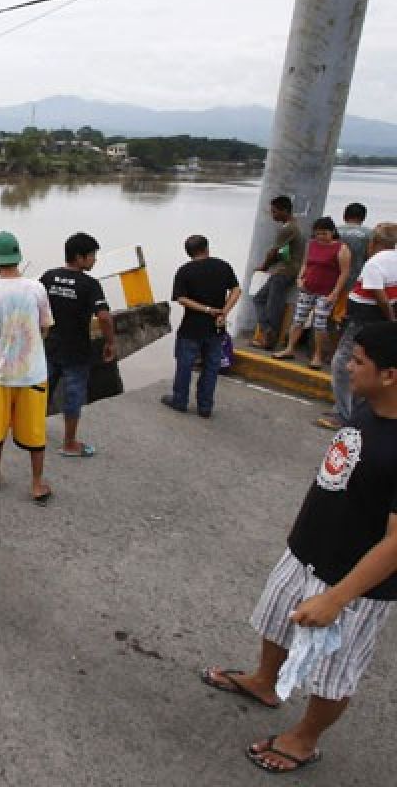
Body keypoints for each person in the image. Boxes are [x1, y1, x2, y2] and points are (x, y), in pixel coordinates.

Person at [200, 321, 397, 775]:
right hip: (307, 549)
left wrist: (337, 596)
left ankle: (305, 739)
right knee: (276, 618)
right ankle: (265, 682)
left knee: (335, 667)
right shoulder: (369, 407)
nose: (348, 366)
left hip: (354, 583)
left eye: (359, 361)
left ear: (390, 375)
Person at [0, 231, 54, 504]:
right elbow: (45, 325)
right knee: (35, 432)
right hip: (34, 372)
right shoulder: (37, 288)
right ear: (18, 256)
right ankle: (36, 483)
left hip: (0, 373)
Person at [40, 232, 116, 457]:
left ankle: (30, 434)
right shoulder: (90, 284)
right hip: (76, 351)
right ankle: (69, 444)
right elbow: (104, 317)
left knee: (41, 392)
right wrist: (110, 341)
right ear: (79, 257)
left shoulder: (48, 277)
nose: (95, 260)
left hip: (50, 347)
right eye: (92, 255)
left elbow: (34, 305)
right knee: (73, 397)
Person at [320, 222, 397, 430]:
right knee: (369, 365)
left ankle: (344, 414)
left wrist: (389, 315)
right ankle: (354, 408)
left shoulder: (375, 262)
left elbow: (377, 291)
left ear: (375, 242)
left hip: (363, 319)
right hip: (375, 319)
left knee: (342, 364)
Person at [161, 235, 241, 418]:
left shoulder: (184, 271)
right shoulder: (223, 266)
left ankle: (179, 400)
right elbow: (236, 290)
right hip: (216, 328)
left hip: (191, 328)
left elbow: (181, 299)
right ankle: (205, 406)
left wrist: (206, 309)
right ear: (206, 248)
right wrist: (223, 311)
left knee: (184, 365)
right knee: (211, 367)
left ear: (188, 252)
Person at [272, 217, 352, 369]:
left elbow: (344, 273)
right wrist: (300, 278)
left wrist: (335, 293)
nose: (321, 237)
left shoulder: (341, 248)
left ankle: (317, 355)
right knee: (298, 319)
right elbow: (305, 263)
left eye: (324, 233)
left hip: (326, 291)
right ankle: (290, 348)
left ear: (332, 232)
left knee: (319, 324)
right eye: (318, 233)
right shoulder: (312, 244)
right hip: (308, 288)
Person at [251, 196, 304, 350]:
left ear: (285, 211)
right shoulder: (292, 226)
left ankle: (269, 337)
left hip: (284, 271)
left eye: (275, 211)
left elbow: (273, 252)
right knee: (260, 299)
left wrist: (264, 267)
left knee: (273, 305)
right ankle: (267, 331)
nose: (272, 215)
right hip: (283, 270)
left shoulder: (288, 228)